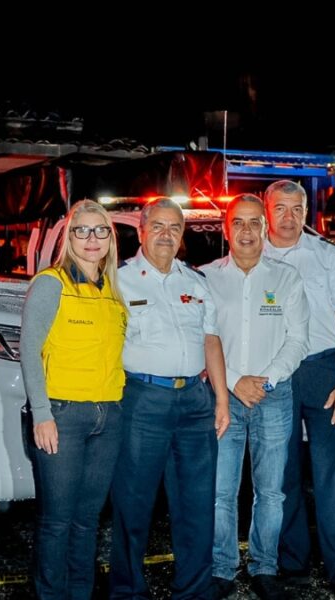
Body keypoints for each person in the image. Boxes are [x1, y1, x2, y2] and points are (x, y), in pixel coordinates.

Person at [109, 198, 230, 600]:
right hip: (142, 399)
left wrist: (221, 399)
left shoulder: (194, 281)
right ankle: (128, 590)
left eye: (174, 228)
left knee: (197, 502)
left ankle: (195, 590)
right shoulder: (118, 280)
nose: (165, 234)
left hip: (195, 401)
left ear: (182, 235)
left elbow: (211, 340)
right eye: (157, 226)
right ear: (141, 231)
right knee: (134, 502)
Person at [262, 180, 335, 600]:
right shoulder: (249, 255)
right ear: (267, 211)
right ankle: (292, 564)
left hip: (325, 370)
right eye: (281, 208)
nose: (289, 216)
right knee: (280, 474)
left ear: (307, 210)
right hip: (275, 374)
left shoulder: (328, 256)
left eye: (297, 208)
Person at [202, 194, 309, 600]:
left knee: (272, 491)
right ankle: (221, 568)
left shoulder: (286, 279)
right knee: (221, 490)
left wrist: (265, 380)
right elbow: (203, 341)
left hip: (274, 397)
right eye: (238, 223)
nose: (246, 231)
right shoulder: (207, 278)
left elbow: (298, 340)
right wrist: (231, 384)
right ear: (226, 229)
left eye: (253, 223)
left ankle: (265, 566)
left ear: (264, 228)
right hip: (223, 400)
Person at [19, 199, 127, 600]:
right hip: (62, 416)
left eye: (100, 230)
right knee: (57, 521)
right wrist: (42, 415)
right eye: (82, 230)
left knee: (87, 521)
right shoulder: (52, 283)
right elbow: (29, 349)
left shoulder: (114, 291)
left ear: (110, 239)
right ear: (70, 237)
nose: (91, 239)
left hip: (108, 419)